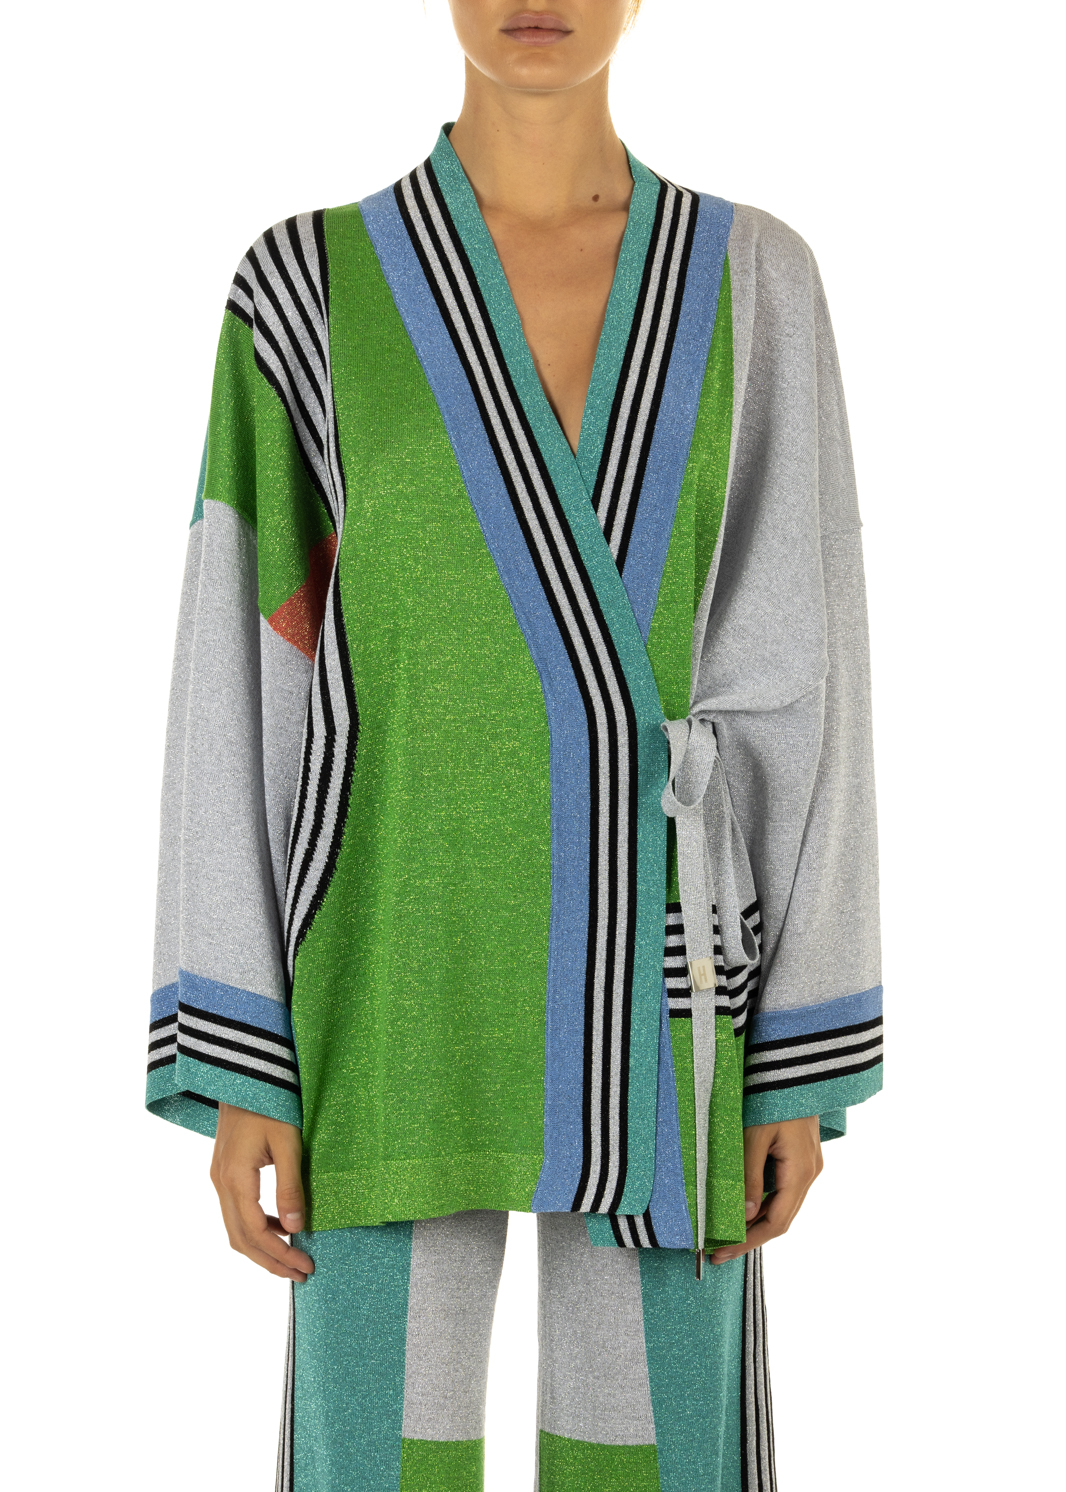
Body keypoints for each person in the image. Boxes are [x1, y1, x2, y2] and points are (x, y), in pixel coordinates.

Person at [145, 2, 882, 1487]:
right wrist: (244, 1046)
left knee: (655, 1449)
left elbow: (807, 665)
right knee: (373, 1450)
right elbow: (241, 664)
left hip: (665, 972)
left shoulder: (756, 282)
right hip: (386, 952)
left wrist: (797, 1043)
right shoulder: (305, 286)